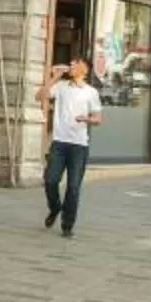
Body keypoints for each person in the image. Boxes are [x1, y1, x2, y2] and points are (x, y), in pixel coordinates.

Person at [42, 58, 103, 237]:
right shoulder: (61, 86)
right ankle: (55, 208)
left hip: (79, 146)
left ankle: (67, 226)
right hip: (59, 143)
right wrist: (54, 77)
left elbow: (98, 119)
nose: (71, 66)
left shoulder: (91, 92)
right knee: (50, 180)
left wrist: (87, 119)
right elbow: (40, 96)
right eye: (70, 63)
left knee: (73, 187)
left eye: (75, 64)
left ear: (84, 69)